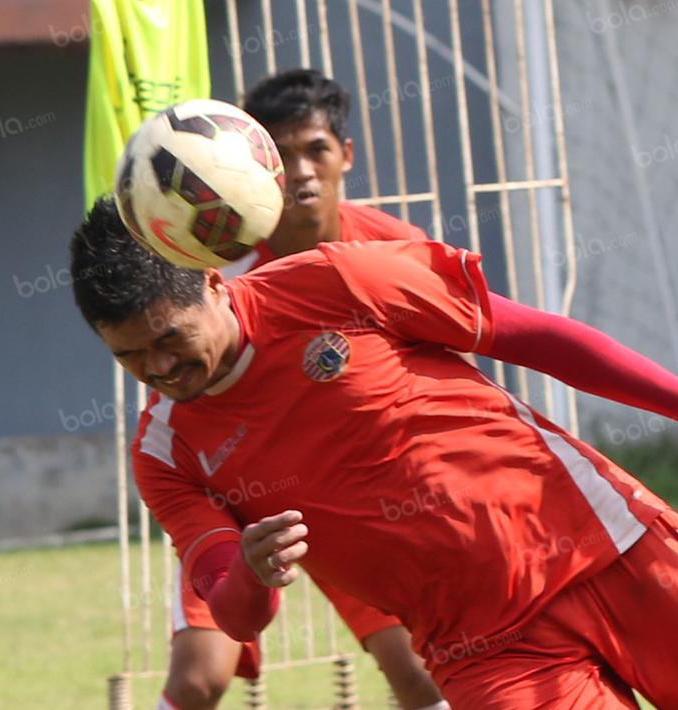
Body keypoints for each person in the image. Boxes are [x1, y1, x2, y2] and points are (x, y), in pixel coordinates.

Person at [70, 188, 678, 708]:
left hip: (606, 545)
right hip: (484, 649)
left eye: (170, 340)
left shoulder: (334, 283)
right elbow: (234, 610)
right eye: (131, 358)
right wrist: (251, 572)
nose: (160, 369)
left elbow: (532, 335)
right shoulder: (166, 453)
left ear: (210, 283)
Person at [146, 68, 446, 710]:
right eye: (281, 154)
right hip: (237, 488)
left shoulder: (397, 249)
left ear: (347, 155)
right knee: (198, 682)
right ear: (258, 168)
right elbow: (171, 395)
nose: (303, 170)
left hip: (354, 494)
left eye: (316, 148)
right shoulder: (213, 274)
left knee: (422, 674)